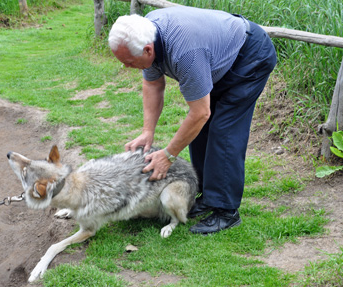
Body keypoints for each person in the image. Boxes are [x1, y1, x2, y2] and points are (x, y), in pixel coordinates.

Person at [108, 6, 276, 235]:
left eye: (128, 61)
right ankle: (208, 195)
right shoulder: (146, 31)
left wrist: (168, 155)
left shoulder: (185, 53)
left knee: (224, 131)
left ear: (148, 50)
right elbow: (153, 84)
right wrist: (148, 131)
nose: (125, 66)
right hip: (218, 58)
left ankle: (226, 211)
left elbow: (200, 113)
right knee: (201, 130)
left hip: (249, 58)